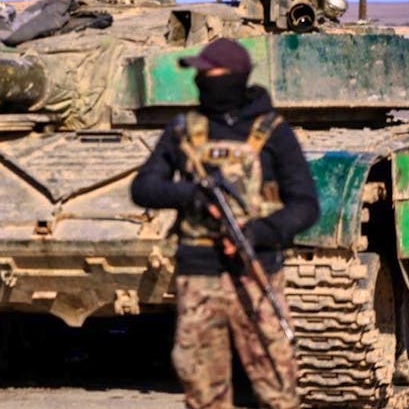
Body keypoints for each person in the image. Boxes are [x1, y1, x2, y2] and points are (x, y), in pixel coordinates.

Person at [130, 38, 319, 409]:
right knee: (202, 388)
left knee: (278, 383)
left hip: (255, 270)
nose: (202, 79)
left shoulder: (273, 131)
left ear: (232, 76)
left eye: (209, 72)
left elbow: (306, 205)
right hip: (198, 273)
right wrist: (192, 195)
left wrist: (261, 232)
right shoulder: (184, 130)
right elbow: (144, 187)